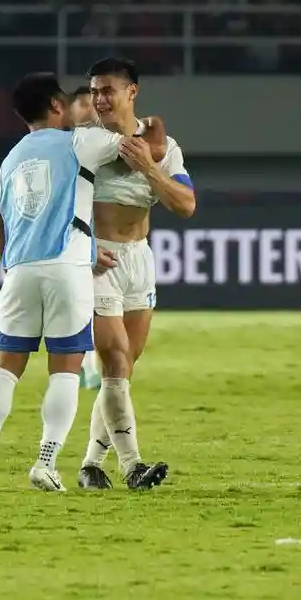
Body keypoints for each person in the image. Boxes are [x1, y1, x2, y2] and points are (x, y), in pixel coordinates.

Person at [0, 72, 166, 492]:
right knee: (65, 371)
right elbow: (143, 149)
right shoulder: (79, 142)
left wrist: (13, 268)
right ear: (56, 106)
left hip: (18, 271)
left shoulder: (10, 159)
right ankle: (45, 463)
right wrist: (153, 124)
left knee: (2, 369)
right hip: (67, 268)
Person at [77, 57, 195, 491]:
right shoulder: (85, 142)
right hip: (98, 260)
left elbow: (185, 204)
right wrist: (83, 247)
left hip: (139, 260)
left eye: (108, 90)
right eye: (94, 91)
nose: (99, 99)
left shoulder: (165, 147)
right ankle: (132, 466)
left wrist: (149, 167)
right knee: (114, 360)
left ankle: (91, 464)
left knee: (123, 370)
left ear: (132, 92)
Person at [68, 85, 104, 391]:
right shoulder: (61, 145)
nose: (87, 107)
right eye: (80, 103)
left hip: (95, 233)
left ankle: (91, 368)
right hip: (68, 236)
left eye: (90, 102)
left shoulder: (105, 143)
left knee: (92, 304)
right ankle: (84, 366)